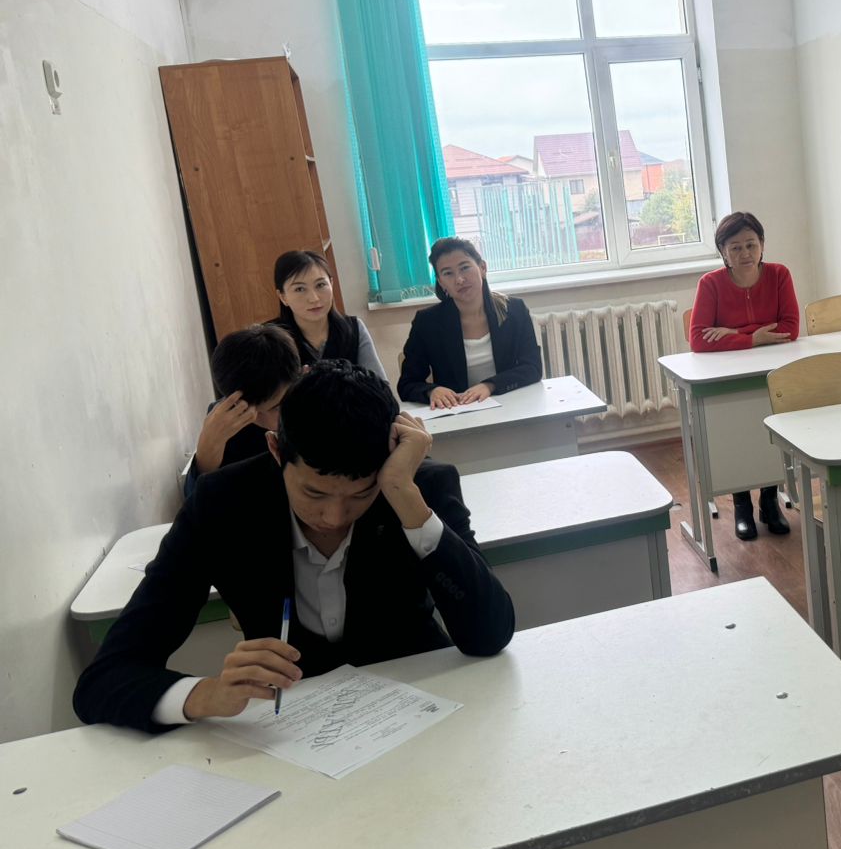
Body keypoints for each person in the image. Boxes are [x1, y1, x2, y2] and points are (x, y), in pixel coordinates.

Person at [75, 360, 515, 733]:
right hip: (290, 737)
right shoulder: (221, 505)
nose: (334, 517)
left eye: (361, 494)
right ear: (275, 449)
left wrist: (403, 495)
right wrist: (205, 694)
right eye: (314, 493)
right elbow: (104, 679)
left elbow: (490, 633)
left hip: (424, 717)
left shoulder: (418, 487)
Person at [690, 211, 799, 540]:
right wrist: (753, 338)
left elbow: (790, 329)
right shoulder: (710, 284)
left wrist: (731, 333)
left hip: (772, 372)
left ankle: (769, 500)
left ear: (762, 244)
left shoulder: (779, 275)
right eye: (735, 247)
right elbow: (698, 340)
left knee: (771, 429)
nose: (745, 253)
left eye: (751, 244)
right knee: (738, 430)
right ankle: (741, 504)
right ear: (723, 252)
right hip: (727, 376)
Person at [397, 238, 542, 409]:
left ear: (482, 268)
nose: (459, 279)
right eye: (448, 273)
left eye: (465, 268)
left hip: (510, 405)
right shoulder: (427, 322)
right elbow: (407, 384)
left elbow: (532, 367)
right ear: (441, 282)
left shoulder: (514, 310)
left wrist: (490, 385)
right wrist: (432, 391)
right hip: (458, 411)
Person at [183, 324, 302, 499]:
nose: (254, 416)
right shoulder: (225, 424)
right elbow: (198, 504)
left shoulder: (316, 400)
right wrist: (207, 451)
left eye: (276, 407)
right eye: (250, 411)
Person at [268, 250, 386, 379]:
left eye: (320, 285)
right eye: (299, 289)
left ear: (331, 284)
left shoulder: (354, 328)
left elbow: (380, 386)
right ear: (283, 297)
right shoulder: (268, 339)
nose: (314, 298)